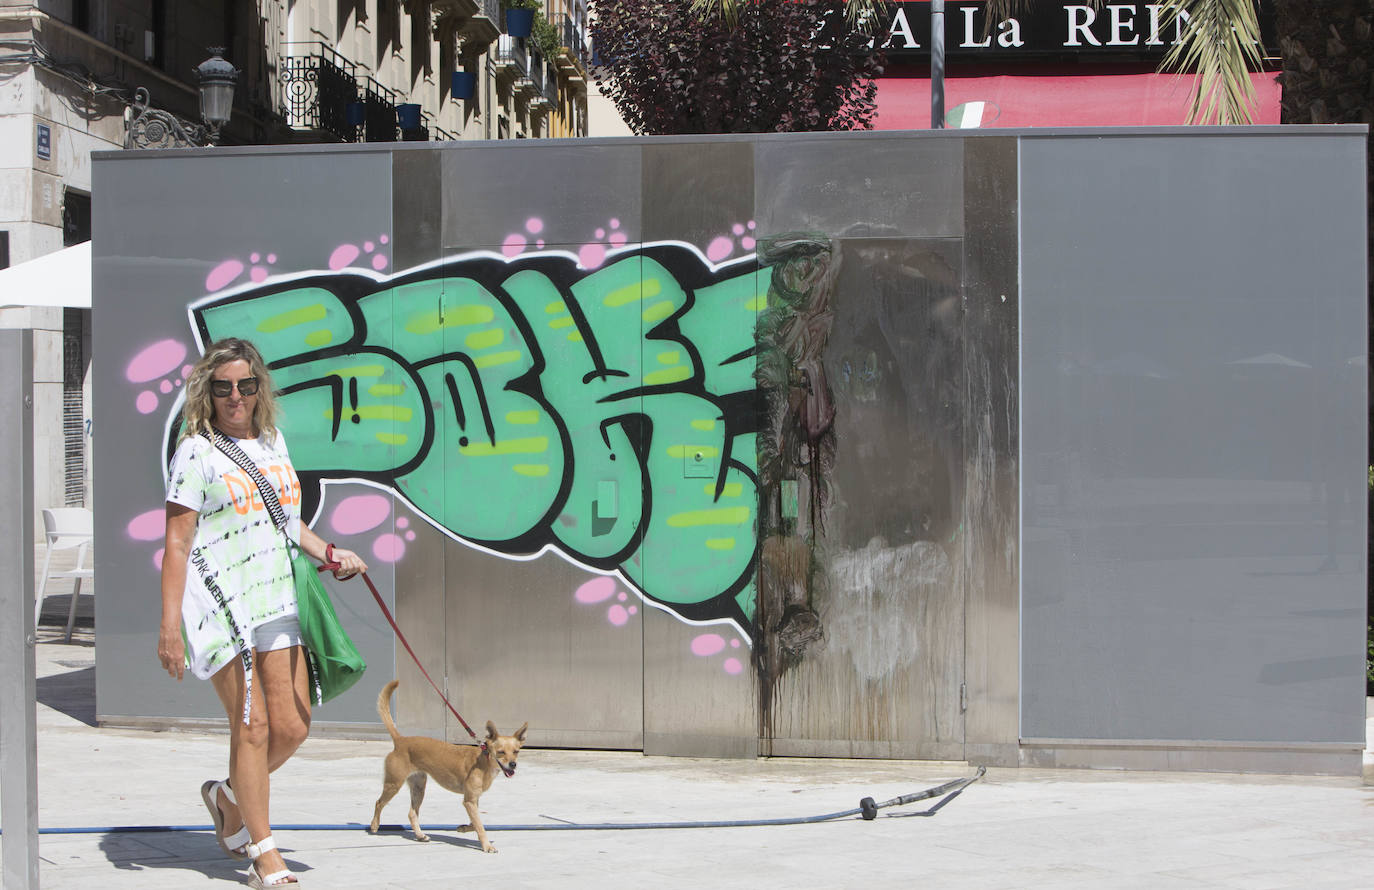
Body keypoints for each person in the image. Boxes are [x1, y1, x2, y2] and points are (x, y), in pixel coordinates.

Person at [157, 337, 367, 888]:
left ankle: (228, 796)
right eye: (223, 387)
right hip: (220, 604)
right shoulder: (195, 452)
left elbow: (284, 521)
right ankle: (263, 850)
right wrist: (168, 627)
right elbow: (177, 543)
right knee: (250, 726)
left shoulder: (272, 442)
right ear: (208, 390)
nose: (235, 397)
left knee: (293, 726)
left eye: (245, 386)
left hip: (275, 595)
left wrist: (327, 551)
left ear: (258, 389)